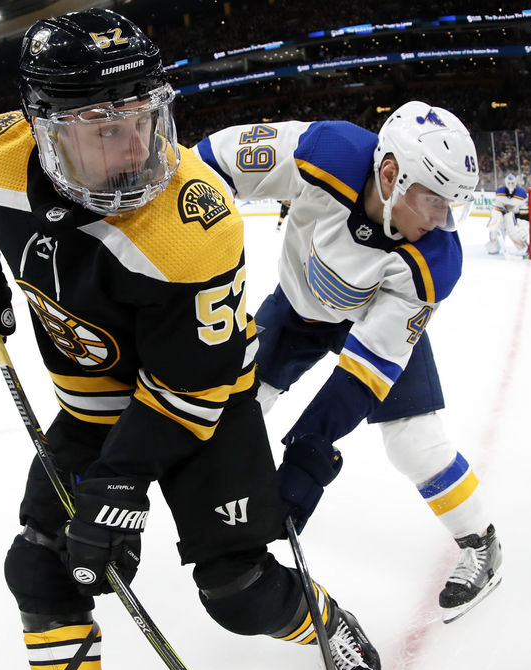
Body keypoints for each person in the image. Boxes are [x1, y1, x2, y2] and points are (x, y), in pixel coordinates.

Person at [0, 10, 381, 670]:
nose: (138, 147)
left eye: (145, 118)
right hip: (95, 409)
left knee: (238, 592)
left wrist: (119, 484)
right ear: (45, 131)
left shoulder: (194, 225)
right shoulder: (0, 153)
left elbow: (189, 392)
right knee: (40, 565)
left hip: (204, 407)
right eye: (106, 129)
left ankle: (325, 622)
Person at [194, 101, 504, 624]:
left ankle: (481, 541)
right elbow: (207, 166)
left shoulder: (435, 262)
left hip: (365, 321)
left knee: (414, 442)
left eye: (452, 205)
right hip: (295, 308)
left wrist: (307, 455)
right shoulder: (326, 151)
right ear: (391, 174)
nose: (442, 221)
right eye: (434, 200)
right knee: (231, 407)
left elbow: (363, 375)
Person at [486, 173, 529, 256]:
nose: (510, 185)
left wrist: (518, 218)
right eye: (509, 183)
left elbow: (524, 211)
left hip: (513, 216)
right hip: (501, 214)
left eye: (512, 183)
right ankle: (494, 246)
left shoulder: (521, 193)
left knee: (512, 232)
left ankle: (523, 247)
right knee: (494, 228)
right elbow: (496, 208)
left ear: (515, 183)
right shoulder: (499, 192)